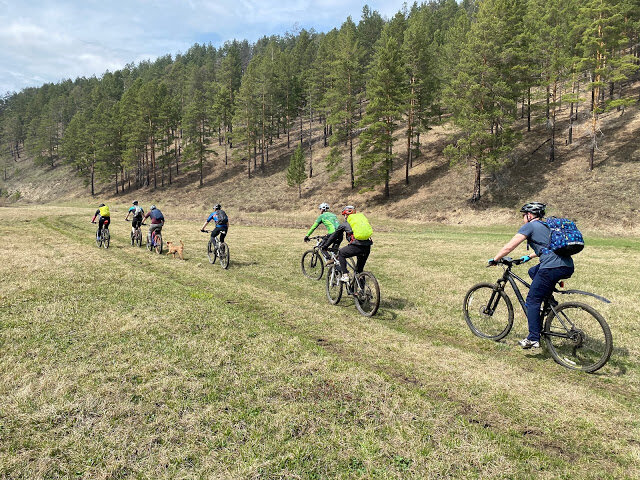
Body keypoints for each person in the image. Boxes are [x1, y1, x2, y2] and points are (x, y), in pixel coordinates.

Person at [489, 202, 574, 349]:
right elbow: (548, 247)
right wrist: (529, 256)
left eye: (523, 215)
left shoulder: (530, 226)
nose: (523, 218)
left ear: (529, 215)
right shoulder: (547, 226)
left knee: (532, 301)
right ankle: (549, 302)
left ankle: (533, 338)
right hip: (566, 266)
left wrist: (495, 259)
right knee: (532, 271)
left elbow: (510, 246)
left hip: (551, 267)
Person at [325, 206, 373, 283]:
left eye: (344, 215)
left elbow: (334, 236)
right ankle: (360, 292)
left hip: (356, 246)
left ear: (346, 215)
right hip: (367, 247)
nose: (344, 217)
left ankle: (345, 275)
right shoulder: (361, 222)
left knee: (341, 253)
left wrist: (325, 246)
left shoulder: (345, 224)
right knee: (359, 271)